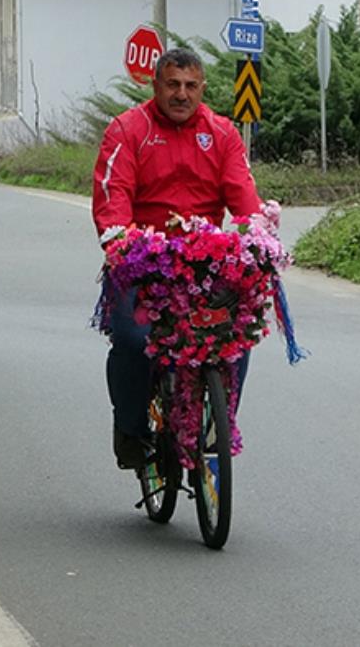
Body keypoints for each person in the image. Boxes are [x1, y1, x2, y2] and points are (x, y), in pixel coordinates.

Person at [92, 48, 262, 470]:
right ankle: (130, 428)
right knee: (133, 341)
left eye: (190, 86)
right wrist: (121, 242)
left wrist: (255, 236)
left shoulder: (222, 134)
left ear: (202, 88)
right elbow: (113, 197)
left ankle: (212, 428)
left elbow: (243, 197)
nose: (181, 94)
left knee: (235, 339)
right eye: (173, 84)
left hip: (204, 264)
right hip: (143, 261)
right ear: (156, 86)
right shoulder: (128, 130)